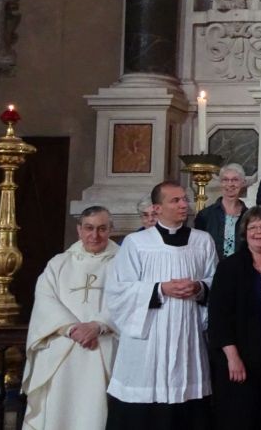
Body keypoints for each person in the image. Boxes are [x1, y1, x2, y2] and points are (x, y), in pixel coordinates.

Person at [105, 182, 217, 428]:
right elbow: (118, 291)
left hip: (187, 336)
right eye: (175, 201)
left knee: (187, 403)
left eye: (184, 200)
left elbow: (215, 281)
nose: (183, 205)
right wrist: (159, 289)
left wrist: (199, 287)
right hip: (149, 340)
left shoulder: (203, 241)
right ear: (157, 208)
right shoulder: (136, 243)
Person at [23, 206, 120, 430]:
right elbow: (45, 300)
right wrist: (72, 329)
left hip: (104, 347)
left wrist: (98, 325)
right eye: (89, 228)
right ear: (79, 230)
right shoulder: (59, 263)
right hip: (63, 350)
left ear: (110, 230)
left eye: (102, 229)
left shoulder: (123, 262)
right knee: (58, 411)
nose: (94, 235)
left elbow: (128, 300)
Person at [207, 206, 261, 429]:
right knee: (242, 418)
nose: (259, 231)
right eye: (252, 227)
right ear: (244, 233)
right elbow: (219, 317)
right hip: (243, 360)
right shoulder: (230, 267)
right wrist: (232, 357)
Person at [195, 163, 249, 260]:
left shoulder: (249, 216)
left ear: (243, 182)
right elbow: (197, 247)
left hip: (242, 270)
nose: (230, 184)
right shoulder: (205, 215)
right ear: (220, 183)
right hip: (213, 270)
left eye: (235, 180)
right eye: (225, 180)